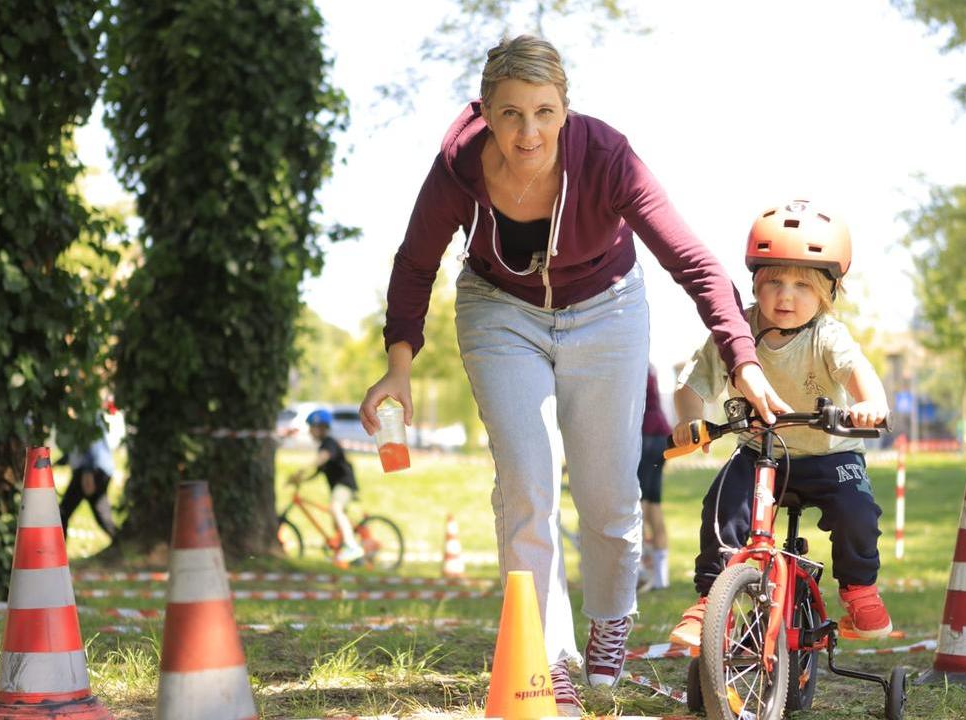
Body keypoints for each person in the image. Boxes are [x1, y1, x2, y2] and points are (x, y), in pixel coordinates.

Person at [358, 35, 788, 714]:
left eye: (543, 112)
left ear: (565, 109)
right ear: (486, 111)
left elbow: (694, 262)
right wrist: (398, 368)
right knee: (527, 482)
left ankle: (611, 618)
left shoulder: (607, 158)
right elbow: (415, 264)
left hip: (607, 311)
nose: (528, 132)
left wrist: (744, 357)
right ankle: (548, 655)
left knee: (610, 493)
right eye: (510, 114)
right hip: (500, 312)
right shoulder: (458, 167)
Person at [667, 199, 894, 648]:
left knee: (858, 515)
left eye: (802, 286)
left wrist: (873, 405)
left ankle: (859, 590)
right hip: (760, 452)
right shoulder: (737, 331)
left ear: (827, 294)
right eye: (773, 282)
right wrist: (690, 420)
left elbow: (860, 375)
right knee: (722, 507)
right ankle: (711, 600)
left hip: (830, 455)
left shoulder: (827, 335)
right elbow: (693, 385)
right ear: (755, 283)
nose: (786, 296)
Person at [289, 408, 364, 567]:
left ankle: (352, 547)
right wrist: (301, 480)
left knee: (335, 508)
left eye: (312, 427)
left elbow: (322, 459)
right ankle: (349, 554)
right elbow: (317, 472)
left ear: (321, 427)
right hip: (337, 486)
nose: (310, 431)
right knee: (337, 522)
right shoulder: (324, 445)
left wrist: (301, 470)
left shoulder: (329, 443)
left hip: (344, 484)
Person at [636, 365, 671, 592]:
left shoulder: (632, 364)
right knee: (653, 506)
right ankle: (660, 577)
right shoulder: (649, 367)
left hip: (645, 435)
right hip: (661, 436)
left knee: (636, 506)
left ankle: (637, 573)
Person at [58, 422, 118, 540]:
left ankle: (59, 554)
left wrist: (88, 471)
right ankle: (120, 544)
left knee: (63, 512)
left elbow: (90, 442)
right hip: (98, 469)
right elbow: (75, 449)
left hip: (90, 470)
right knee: (102, 513)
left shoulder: (82, 411)